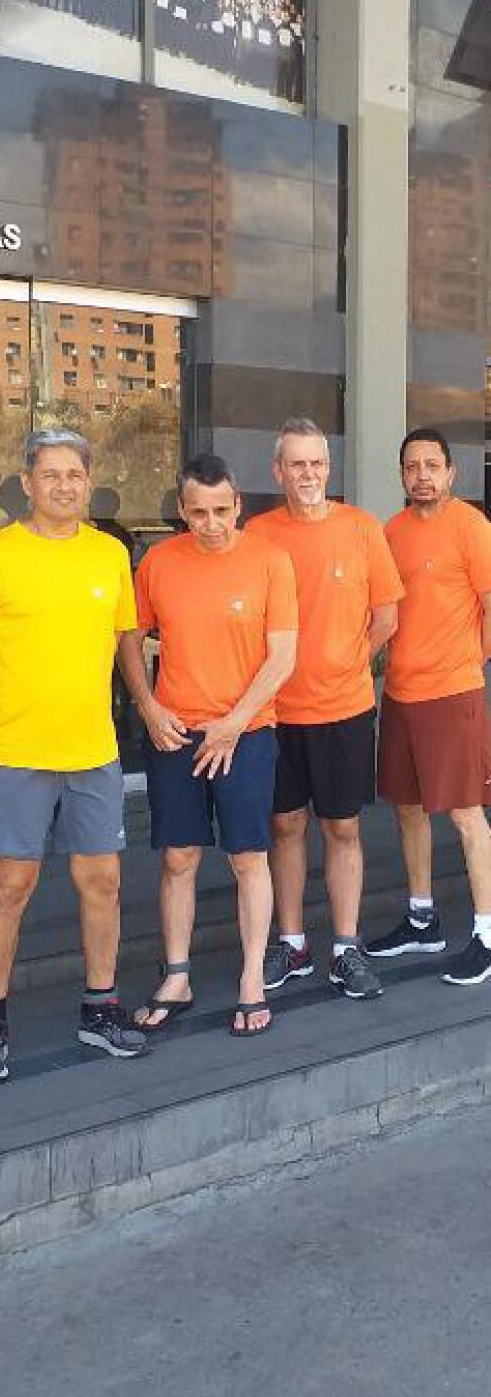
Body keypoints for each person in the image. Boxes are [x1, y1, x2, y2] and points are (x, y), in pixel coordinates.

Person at [0, 428, 151, 1086]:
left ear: (87, 481)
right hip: (15, 753)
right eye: (52, 474)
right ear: (28, 481)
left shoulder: (109, 555)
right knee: (10, 887)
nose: (64, 485)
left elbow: (124, 638)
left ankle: (101, 1006)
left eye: (75, 474)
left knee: (103, 882)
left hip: (93, 749)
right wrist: (8, 709)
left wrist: (141, 707)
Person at [118, 454, 297, 1037]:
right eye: (198, 512)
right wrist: (147, 707)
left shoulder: (270, 560)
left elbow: (283, 656)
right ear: (181, 510)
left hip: (245, 733)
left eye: (222, 510)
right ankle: (177, 975)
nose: (211, 522)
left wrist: (232, 724)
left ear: (239, 505)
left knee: (248, 857)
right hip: (176, 732)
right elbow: (130, 638)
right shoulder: (159, 562)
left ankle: (250, 977)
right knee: (178, 857)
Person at [248, 419, 403, 1000]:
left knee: (342, 826)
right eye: (296, 464)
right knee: (284, 825)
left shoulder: (362, 528)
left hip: (344, 709)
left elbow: (385, 618)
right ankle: (292, 943)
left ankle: (345, 947)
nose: (307, 474)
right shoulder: (258, 535)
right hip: (277, 712)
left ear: (328, 468)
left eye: (316, 464)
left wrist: (347, 664)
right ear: (278, 471)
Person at [365, 428, 491, 985]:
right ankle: (423, 919)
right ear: (402, 474)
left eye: (432, 465)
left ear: (450, 472)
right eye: (412, 466)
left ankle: (486, 933)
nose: (422, 475)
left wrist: (467, 665)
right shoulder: (390, 532)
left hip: (453, 691)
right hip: (400, 693)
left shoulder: (471, 526)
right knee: (407, 809)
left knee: (466, 814)